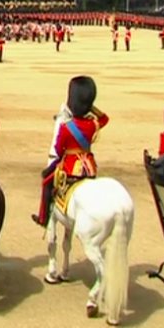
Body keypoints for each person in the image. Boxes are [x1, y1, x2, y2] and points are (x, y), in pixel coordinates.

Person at [32, 76, 109, 227]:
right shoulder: (93, 124)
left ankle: (43, 218)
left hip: (71, 167)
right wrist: (90, 106)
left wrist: (53, 166)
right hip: (90, 168)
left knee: (46, 182)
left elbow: (58, 150)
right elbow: (105, 119)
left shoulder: (66, 126)